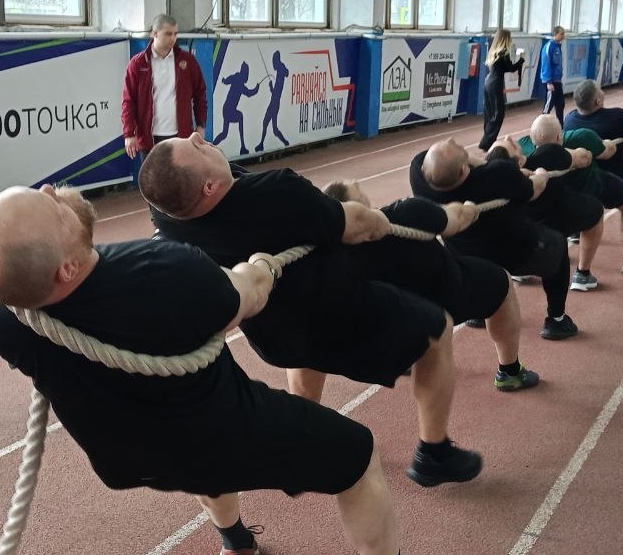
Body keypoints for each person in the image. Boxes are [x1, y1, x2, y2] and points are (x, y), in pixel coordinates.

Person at [0, 185, 443, 555]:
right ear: (65, 270)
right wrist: (260, 267)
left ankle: (236, 547)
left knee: (190, 458)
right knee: (357, 456)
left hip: (130, 458)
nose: (50, 192)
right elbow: (249, 297)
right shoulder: (166, 272)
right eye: (50, 209)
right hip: (226, 431)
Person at [139, 134, 485, 488]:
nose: (198, 136)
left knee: (304, 351)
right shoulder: (279, 192)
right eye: (196, 148)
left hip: (277, 337)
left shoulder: (167, 212)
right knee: (437, 329)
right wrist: (376, 221)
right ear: (209, 188)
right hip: (340, 315)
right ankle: (434, 454)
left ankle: (303, 450)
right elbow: (355, 225)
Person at [320, 178, 540, 392]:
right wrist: (468, 209)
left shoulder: (324, 253)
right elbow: (456, 220)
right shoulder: (406, 212)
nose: (356, 182)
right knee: (503, 281)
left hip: (389, 319)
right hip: (445, 297)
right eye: (353, 188)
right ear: (353, 211)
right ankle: (510, 372)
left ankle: (405, 355)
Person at [409, 137, 580, 341]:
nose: (452, 139)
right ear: (463, 170)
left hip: (464, 255)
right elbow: (533, 190)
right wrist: (541, 174)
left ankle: (480, 311)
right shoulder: (498, 175)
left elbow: (433, 159)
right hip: (516, 253)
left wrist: (476, 160)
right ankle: (557, 319)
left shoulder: (418, 174)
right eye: (458, 147)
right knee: (558, 245)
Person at [517, 115, 617, 290]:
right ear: (558, 136)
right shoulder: (558, 153)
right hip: (551, 213)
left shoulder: (521, 148)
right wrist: (603, 146)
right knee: (595, 212)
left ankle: (519, 268)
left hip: (525, 214)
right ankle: (583, 274)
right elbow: (584, 157)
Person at [564, 80, 623, 247]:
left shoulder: (569, 120)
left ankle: (576, 230)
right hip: (615, 171)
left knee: (577, 193)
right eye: (600, 90)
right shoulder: (617, 117)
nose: (603, 91)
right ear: (598, 101)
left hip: (583, 176)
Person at [121, 14, 207, 185]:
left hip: (181, 135)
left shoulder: (188, 61)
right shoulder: (138, 64)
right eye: (168, 34)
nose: (173, 38)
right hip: (149, 137)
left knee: (180, 182)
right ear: (155, 34)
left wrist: (201, 125)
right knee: (152, 184)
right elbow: (128, 101)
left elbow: (200, 94)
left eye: (175, 34)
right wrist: (129, 133)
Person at [481, 29, 525, 152]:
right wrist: (521, 59)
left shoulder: (493, 51)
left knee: (489, 112)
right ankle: (488, 142)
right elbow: (511, 68)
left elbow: (503, 68)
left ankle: (487, 140)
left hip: (488, 82)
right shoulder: (504, 52)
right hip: (496, 83)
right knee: (498, 114)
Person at [255, 50, 290, 153]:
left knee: (266, 122)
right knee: (273, 128)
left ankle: (262, 144)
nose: (273, 64)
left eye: (274, 61)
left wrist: (271, 87)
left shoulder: (280, 72)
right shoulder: (281, 70)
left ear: (277, 61)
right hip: (275, 102)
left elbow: (276, 92)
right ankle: (285, 142)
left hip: (274, 102)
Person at [540, 26, 567, 124]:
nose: (564, 36)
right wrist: (549, 82)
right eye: (562, 34)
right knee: (548, 105)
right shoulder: (549, 47)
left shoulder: (557, 47)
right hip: (551, 81)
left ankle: (560, 126)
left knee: (560, 104)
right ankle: (541, 125)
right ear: (555, 34)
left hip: (557, 81)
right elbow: (546, 64)